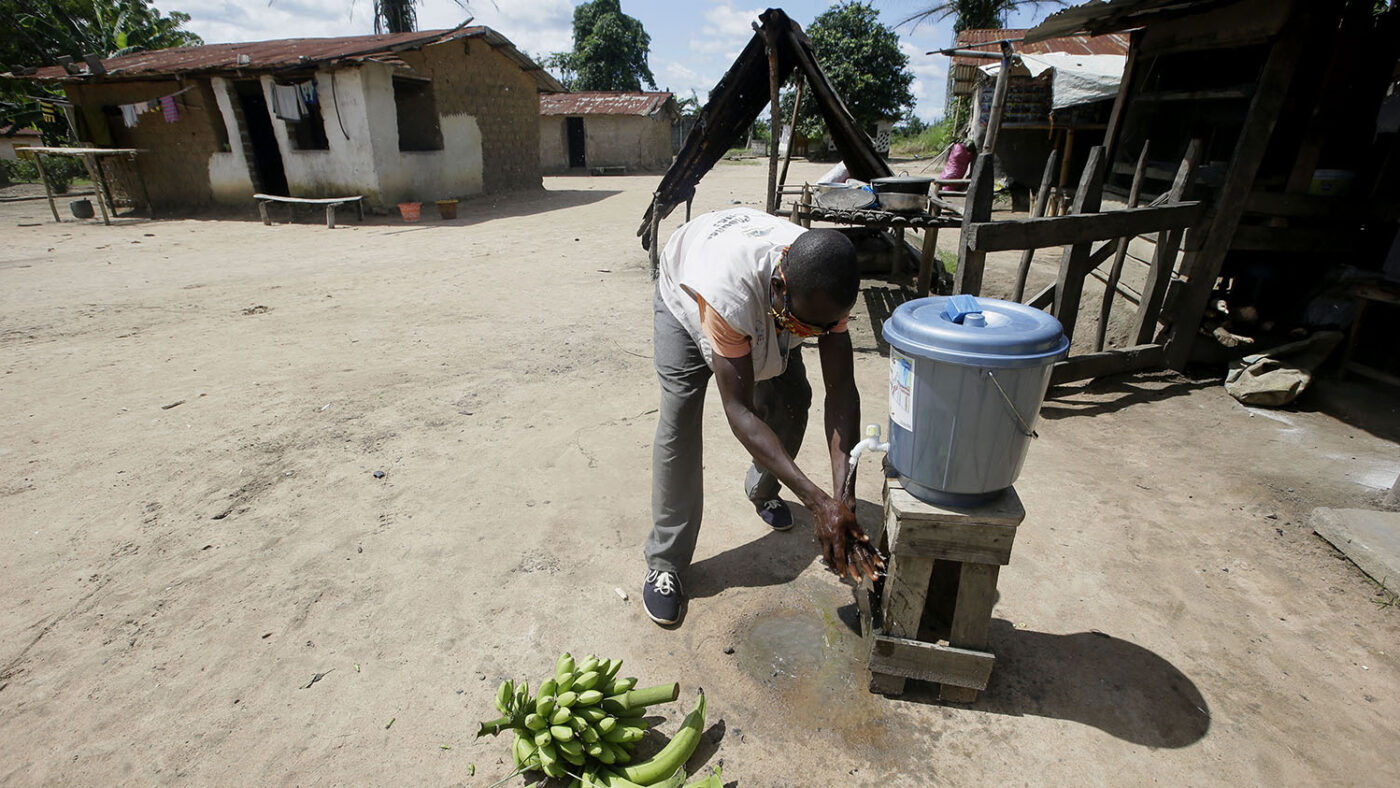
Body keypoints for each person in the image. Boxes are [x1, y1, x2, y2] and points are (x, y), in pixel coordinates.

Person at [644, 207, 882, 626]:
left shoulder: (824, 280)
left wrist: (842, 496)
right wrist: (816, 501)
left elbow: (841, 390)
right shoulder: (727, 291)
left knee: (794, 396)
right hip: (686, 289)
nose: (811, 338)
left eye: (822, 330)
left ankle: (763, 489)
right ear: (779, 287)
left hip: (764, 301)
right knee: (680, 419)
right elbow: (739, 412)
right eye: (804, 327)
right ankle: (666, 562)